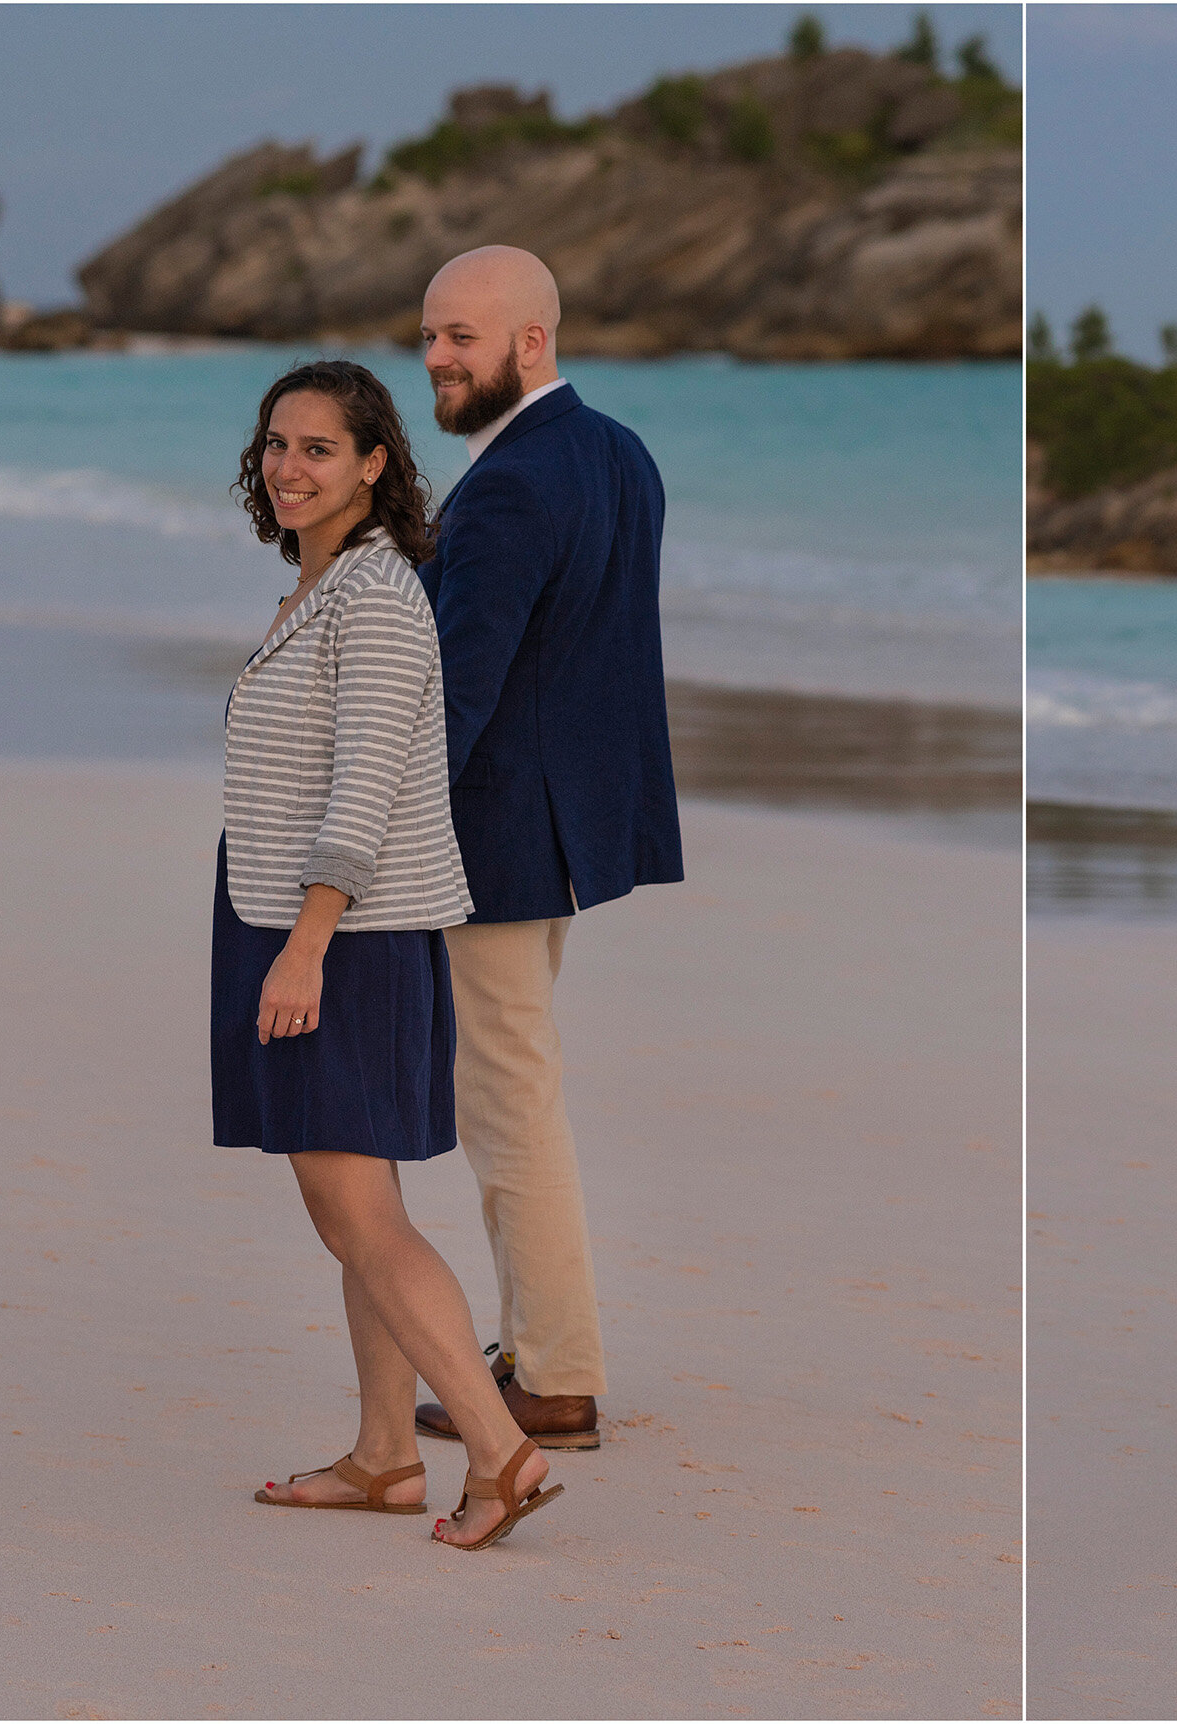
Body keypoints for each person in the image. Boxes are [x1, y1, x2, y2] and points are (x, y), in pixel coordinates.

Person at [215, 359, 562, 1550]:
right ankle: (381, 1456)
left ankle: (498, 1449)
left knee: (358, 1213)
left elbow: (364, 787)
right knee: (356, 1205)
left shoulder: (373, 596)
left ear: (376, 465)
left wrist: (306, 944)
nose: (290, 466)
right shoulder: (323, 589)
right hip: (303, 924)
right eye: (276, 443)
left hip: (340, 936)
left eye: (320, 448)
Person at [408, 247, 683, 1454]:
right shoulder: (619, 452)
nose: (435, 359)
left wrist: (372, 837)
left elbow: (457, 690)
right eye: (427, 337)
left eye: (462, 336)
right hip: (568, 822)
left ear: (531, 340)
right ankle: (530, 1344)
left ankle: (556, 1374)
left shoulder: (514, 482)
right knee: (515, 1085)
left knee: (509, 1100)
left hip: (496, 833)